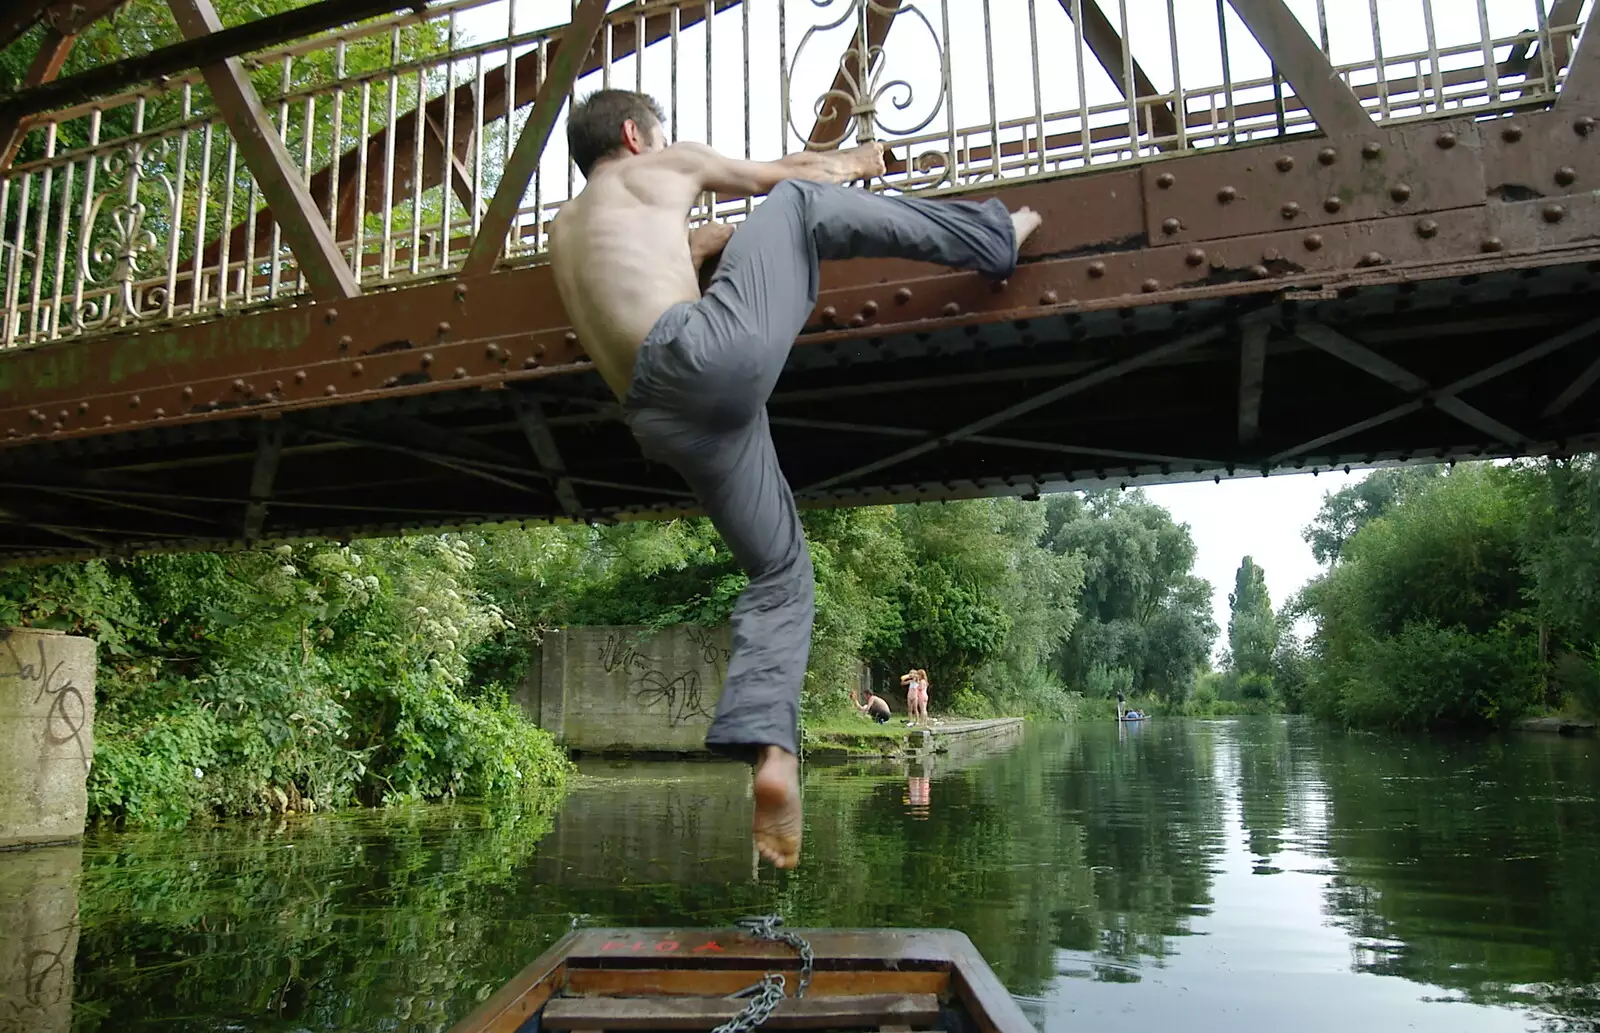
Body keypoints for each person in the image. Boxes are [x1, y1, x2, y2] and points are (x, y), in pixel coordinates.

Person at [547, 89, 1042, 869]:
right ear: (639, 135)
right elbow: (785, 175)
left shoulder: (566, 226)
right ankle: (992, 237)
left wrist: (702, 247)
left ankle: (773, 752)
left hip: (656, 416)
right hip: (700, 358)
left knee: (781, 573)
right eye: (662, 131)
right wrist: (859, 162)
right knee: (802, 203)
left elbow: (661, 256)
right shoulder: (666, 164)